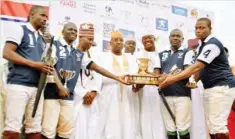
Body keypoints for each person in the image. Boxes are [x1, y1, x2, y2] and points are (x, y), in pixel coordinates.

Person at [41, 23, 128, 139]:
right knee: (48, 130)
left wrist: (117, 78)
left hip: (68, 96)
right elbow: (49, 66)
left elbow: (97, 69)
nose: (73, 32)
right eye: (70, 29)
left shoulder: (78, 54)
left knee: (66, 132)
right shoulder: (54, 44)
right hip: (54, 92)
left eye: (75, 31)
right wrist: (62, 87)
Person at [159, 18, 235, 139]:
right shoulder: (201, 46)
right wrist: (193, 81)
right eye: (196, 28)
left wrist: (172, 79)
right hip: (212, 88)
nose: (198, 30)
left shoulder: (213, 44)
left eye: (202, 28)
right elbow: (201, 70)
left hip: (221, 87)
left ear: (210, 29)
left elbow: (197, 66)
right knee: (212, 126)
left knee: (217, 127)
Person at [2, 5, 50, 139]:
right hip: (19, 84)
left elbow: (42, 62)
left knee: (34, 131)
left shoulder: (42, 39)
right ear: (32, 14)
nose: (45, 19)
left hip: (36, 88)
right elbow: (6, 53)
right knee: (12, 130)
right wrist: (34, 64)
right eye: (42, 15)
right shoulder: (20, 30)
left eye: (46, 16)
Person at [96, 31, 141, 139]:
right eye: (115, 40)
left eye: (121, 40)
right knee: (111, 122)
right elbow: (98, 77)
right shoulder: (102, 57)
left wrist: (136, 84)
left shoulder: (131, 58)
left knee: (128, 122)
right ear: (110, 43)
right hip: (110, 95)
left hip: (128, 95)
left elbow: (135, 76)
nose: (118, 42)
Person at [71, 23, 102, 139]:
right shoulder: (72, 52)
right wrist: (83, 93)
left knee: (92, 131)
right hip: (78, 99)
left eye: (92, 39)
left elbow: (99, 75)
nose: (91, 42)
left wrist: (94, 91)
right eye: (89, 39)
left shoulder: (97, 54)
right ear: (80, 38)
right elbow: (71, 76)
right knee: (78, 131)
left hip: (93, 99)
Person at [159, 29, 191, 139]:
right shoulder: (162, 54)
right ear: (169, 38)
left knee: (182, 127)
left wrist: (169, 76)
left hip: (182, 95)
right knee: (170, 128)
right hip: (165, 95)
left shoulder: (187, 52)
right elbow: (157, 74)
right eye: (173, 36)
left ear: (182, 39)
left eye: (178, 36)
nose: (175, 38)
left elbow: (188, 72)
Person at [135, 33, 165, 139]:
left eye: (150, 38)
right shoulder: (137, 55)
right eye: (144, 38)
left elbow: (161, 74)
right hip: (143, 90)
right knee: (145, 114)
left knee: (159, 115)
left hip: (158, 89)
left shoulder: (161, 54)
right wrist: (137, 85)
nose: (147, 40)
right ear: (141, 41)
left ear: (154, 39)